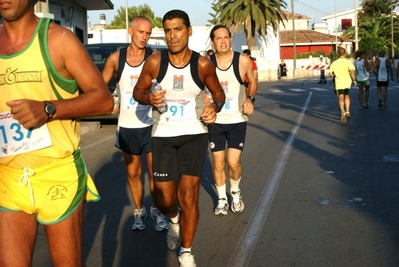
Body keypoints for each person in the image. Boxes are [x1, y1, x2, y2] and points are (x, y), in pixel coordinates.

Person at [0, 1, 114, 266]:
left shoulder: (59, 39)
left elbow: (103, 100)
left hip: (57, 172)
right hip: (8, 177)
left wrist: (48, 109)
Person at [133, 9, 225, 267]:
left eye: (178, 29)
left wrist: (214, 107)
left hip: (194, 135)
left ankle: (186, 251)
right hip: (163, 135)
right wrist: (148, 98)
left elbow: (219, 94)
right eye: (168, 30)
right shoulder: (154, 62)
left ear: (189, 31)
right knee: (164, 199)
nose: (173, 36)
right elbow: (138, 91)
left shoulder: (202, 64)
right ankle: (173, 220)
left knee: (189, 196)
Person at [102, 16, 168, 231]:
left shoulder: (154, 57)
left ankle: (156, 209)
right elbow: (100, 87)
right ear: (131, 31)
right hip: (127, 125)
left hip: (151, 123)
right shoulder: (115, 58)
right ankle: (139, 211)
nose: (145, 37)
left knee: (154, 170)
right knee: (133, 172)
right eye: (141, 32)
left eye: (148, 33)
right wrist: (107, 102)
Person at [207, 25, 257, 216]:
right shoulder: (206, 63)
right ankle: (221, 199)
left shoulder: (242, 60)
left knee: (233, 162)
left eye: (226, 37)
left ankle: (235, 192)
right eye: (218, 38)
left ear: (230, 39)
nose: (223, 41)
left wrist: (250, 99)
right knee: (218, 163)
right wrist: (203, 98)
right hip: (215, 120)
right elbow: (198, 87)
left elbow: (252, 81)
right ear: (212, 42)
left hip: (237, 119)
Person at [328, 47, 357, 124]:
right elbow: (352, 71)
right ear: (345, 53)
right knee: (347, 95)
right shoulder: (348, 62)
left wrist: (334, 76)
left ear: (338, 53)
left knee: (341, 96)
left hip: (339, 82)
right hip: (347, 82)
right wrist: (354, 80)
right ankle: (347, 110)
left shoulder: (334, 63)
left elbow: (330, 73)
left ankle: (342, 112)